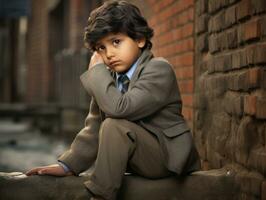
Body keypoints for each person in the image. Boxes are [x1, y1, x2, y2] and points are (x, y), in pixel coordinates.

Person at [26, 1, 201, 199]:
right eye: (101, 47)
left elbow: (121, 109)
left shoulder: (159, 70)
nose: (108, 54)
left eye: (116, 42)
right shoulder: (108, 80)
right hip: (138, 158)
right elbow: (94, 127)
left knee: (113, 125)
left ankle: (100, 196)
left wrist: (97, 72)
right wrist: (67, 165)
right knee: (108, 125)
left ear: (140, 39)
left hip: (166, 158)